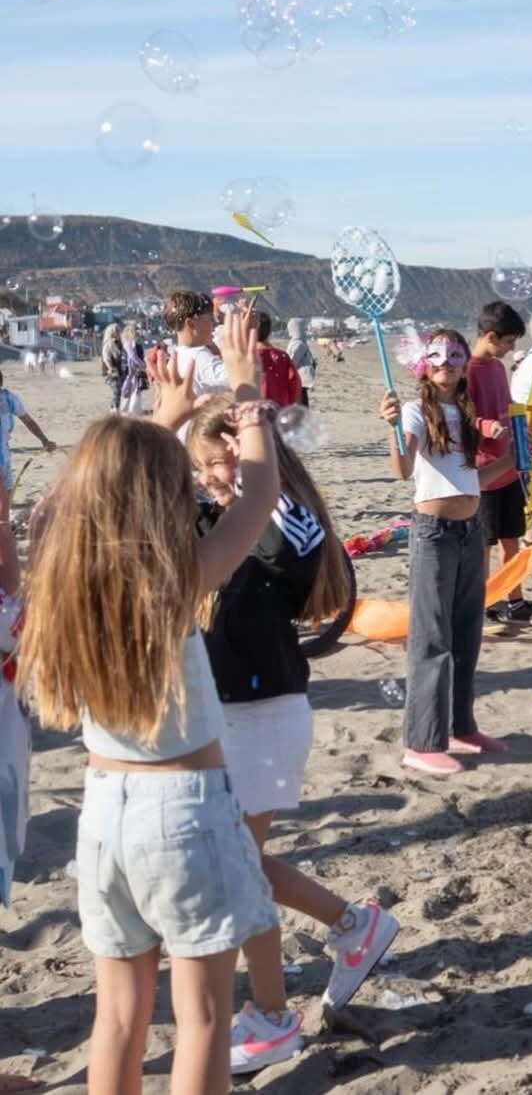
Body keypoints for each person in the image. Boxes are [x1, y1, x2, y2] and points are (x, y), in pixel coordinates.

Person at [16, 311, 280, 1095]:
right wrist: (246, 390)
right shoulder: (173, 580)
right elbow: (261, 491)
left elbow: (63, 505)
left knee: (118, 1017)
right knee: (203, 1017)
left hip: (102, 809)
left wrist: (159, 418)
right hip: (186, 809)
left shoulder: (61, 582)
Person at [184, 399, 397, 1073]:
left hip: (265, 717)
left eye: (221, 463)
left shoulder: (285, 520)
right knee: (236, 864)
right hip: (219, 718)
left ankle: (275, 1013)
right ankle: (351, 927)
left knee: (238, 869)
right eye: (201, 466)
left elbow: (292, 545)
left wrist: (255, 457)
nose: (211, 478)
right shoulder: (203, 517)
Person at [380, 329, 516, 777]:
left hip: (469, 530)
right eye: (437, 355)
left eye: (455, 355)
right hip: (434, 533)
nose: (446, 363)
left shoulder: (465, 412)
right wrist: (392, 428)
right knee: (432, 637)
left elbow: (470, 478)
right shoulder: (416, 411)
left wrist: (514, 459)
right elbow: (403, 469)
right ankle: (421, 743)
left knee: (466, 633)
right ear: (424, 363)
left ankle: (461, 728)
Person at [467, 301, 532, 623]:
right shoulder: (467, 370)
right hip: (485, 473)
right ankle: (482, 604)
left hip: (509, 467)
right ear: (491, 336)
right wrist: (487, 427)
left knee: (512, 539)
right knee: (483, 545)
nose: (511, 349)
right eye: (508, 342)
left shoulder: (496, 367)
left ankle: (515, 600)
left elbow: (507, 404)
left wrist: (521, 429)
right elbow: (465, 416)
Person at [0, 369, 55, 595]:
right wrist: (44, 440)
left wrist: (44, 440)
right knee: (3, 511)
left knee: (4, 508)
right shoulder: (8, 398)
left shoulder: (8, 398)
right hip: (3, 460)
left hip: (3, 458)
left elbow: (28, 421)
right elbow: (28, 421)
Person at [163, 290, 231, 399]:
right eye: (210, 319)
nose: (213, 324)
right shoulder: (199, 357)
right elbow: (242, 377)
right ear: (190, 323)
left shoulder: (177, 356)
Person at [256, 313, 302, 408]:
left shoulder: (245, 357)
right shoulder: (282, 357)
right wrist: (288, 402)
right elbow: (295, 384)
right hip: (279, 408)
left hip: (254, 409)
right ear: (269, 332)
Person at [286, 319, 317, 407]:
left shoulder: (299, 343)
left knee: (302, 405)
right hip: (298, 382)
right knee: (302, 407)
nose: (305, 331)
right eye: (303, 328)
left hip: (300, 382)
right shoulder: (298, 344)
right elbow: (291, 362)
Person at [120, 322, 148, 415]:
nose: (138, 332)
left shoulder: (130, 343)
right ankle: (131, 410)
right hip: (132, 371)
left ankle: (131, 410)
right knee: (133, 390)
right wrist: (143, 365)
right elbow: (133, 357)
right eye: (136, 330)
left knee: (132, 389)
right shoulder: (129, 343)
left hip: (132, 371)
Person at [100, 322, 125, 412]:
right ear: (112, 333)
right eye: (117, 331)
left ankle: (115, 408)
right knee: (117, 389)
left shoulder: (120, 343)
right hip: (111, 371)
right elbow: (106, 358)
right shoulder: (108, 344)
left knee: (120, 390)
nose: (119, 332)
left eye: (119, 330)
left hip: (119, 370)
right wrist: (110, 368)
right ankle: (114, 409)